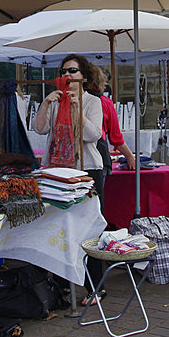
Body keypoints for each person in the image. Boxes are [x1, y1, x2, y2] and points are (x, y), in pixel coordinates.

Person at [34, 53, 104, 304]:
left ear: (83, 76)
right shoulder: (54, 101)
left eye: (72, 71)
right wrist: (45, 104)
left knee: (90, 227)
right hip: (58, 171)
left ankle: (96, 285)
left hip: (86, 170)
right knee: (60, 226)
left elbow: (93, 135)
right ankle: (62, 282)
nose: (67, 76)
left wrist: (77, 110)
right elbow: (40, 129)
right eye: (63, 71)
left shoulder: (92, 101)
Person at [87, 67, 137, 171]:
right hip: (98, 155)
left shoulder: (70, 101)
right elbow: (116, 138)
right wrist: (129, 156)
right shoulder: (105, 102)